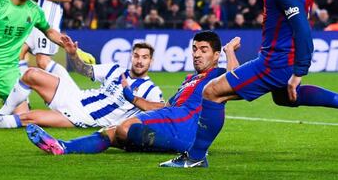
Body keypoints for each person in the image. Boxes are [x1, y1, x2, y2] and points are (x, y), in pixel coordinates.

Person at [161, 0, 338, 168]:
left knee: (212, 92)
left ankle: (195, 158)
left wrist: (299, 71)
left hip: (274, 63)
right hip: (281, 58)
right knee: (285, 97)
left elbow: (302, 31)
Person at [25, 31, 240, 163]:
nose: (197, 54)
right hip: (171, 117)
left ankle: (186, 147)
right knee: (111, 133)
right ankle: (63, 147)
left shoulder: (217, 75)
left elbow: (236, 81)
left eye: (203, 50)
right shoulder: (188, 80)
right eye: (194, 49)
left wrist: (230, 51)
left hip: (183, 123)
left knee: (124, 129)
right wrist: (131, 97)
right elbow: (164, 105)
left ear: (215, 54)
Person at [0, 39, 163, 129]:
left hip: (83, 117)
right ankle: (2, 112)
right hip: (75, 96)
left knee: (27, 118)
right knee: (31, 74)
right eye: (137, 56)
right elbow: (84, 70)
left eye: (145, 58)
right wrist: (73, 55)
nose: (139, 61)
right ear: (131, 56)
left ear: (151, 62)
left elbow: (161, 110)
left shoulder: (152, 91)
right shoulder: (115, 69)